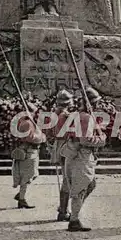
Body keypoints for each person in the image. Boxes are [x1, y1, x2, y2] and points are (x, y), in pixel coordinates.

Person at [61, 87, 106, 231]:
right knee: (81, 188)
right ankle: (74, 220)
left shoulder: (77, 115)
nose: (99, 105)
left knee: (90, 185)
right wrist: (101, 140)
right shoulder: (86, 117)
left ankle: (75, 213)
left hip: (74, 155)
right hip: (81, 156)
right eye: (97, 102)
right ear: (91, 104)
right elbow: (85, 140)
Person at [11, 102, 46, 209]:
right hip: (28, 151)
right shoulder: (27, 123)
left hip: (30, 151)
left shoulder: (25, 122)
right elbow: (31, 138)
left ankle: (21, 194)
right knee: (28, 176)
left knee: (32, 174)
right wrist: (42, 137)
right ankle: (22, 199)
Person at [49, 90, 74, 221]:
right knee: (67, 179)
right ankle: (63, 211)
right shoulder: (65, 116)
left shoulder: (55, 114)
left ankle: (63, 209)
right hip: (66, 146)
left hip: (59, 146)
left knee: (66, 178)